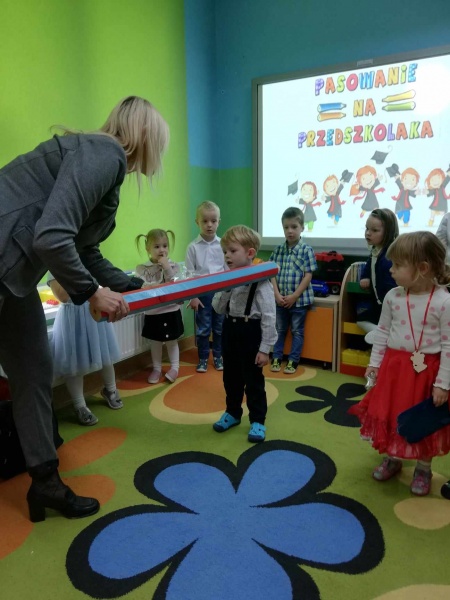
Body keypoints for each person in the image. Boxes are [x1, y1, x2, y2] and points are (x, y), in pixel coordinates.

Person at [0, 96, 169, 522]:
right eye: (159, 141)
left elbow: (82, 248)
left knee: (33, 371)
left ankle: (44, 483)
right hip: (7, 260)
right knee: (31, 371)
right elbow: (51, 237)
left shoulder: (103, 164)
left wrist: (133, 285)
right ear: (144, 134)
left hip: (15, 275)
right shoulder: (104, 153)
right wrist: (93, 293)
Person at [349, 231, 450, 497]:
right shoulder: (393, 297)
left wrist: (443, 384)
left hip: (426, 373)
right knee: (393, 413)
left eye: (397, 265)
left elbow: (449, 346)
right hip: (394, 370)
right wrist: (374, 364)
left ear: (422, 268)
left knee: (423, 420)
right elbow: (382, 332)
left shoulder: (444, 301)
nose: (390, 270)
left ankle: (423, 469)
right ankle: (393, 457)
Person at [212, 225, 277, 443]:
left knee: (253, 381)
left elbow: (269, 316)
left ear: (250, 253)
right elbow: (218, 308)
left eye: (232, 251)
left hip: (251, 333)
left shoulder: (262, 281)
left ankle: (258, 420)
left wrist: (265, 349)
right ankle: (232, 412)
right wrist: (226, 288)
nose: (227, 256)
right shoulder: (227, 278)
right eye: (225, 252)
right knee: (231, 378)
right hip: (230, 331)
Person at [48, 276, 123, 426]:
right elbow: (62, 296)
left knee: (105, 352)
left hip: (93, 311)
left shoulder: (86, 261)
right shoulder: (54, 266)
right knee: (73, 361)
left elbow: (101, 284)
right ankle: (80, 405)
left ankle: (111, 390)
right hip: (72, 317)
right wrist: (75, 272)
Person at [269, 207, 317, 374]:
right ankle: (276, 357)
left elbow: (308, 275)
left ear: (302, 227)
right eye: (286, 227)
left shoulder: (306, 250)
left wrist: (295, 296)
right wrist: (276, 294)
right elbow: (272, 274)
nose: (290, 231)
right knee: (279, 330)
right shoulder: (278, 250)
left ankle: (293, 360)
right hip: (280, 300)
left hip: (299, 301)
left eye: (294, 227)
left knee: (297, 331)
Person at [135, 229, 184, 384]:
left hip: (171, 309)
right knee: (155, 341)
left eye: (165, 246)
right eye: (156, 246)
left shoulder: (174, 265)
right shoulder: (142, 268)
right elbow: (142, 288)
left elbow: (175, 285)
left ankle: (175, 367)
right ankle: (156, 368)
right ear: (148, 248)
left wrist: (167, 267)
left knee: (172, 341)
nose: (162, 250)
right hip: (153, 312)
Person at [185, 201, 227, 373]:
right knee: (203, 329)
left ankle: (218, 356)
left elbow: (227, 270)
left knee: (219, 328)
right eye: (205, 221)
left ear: (219, 222)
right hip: (201, 295)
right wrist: (193, 296)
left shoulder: (223, 245)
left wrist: (228, 293)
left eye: (213, 221)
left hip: (220, 294)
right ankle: (203, 358)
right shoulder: (192, 247)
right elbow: (189, 275)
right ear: (197, 222)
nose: (209, 225)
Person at [356, 208, 399, 342]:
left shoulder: (389, 256)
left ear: (388, 233)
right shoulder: (375, 250)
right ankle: (380, 333)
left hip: (389, 303)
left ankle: (383, 335)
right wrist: (364, 276)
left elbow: (391, 284)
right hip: (378, 301)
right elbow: (368, 265)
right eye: (367, 228)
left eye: (375, 230)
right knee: (361, 318)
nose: (368, 233)